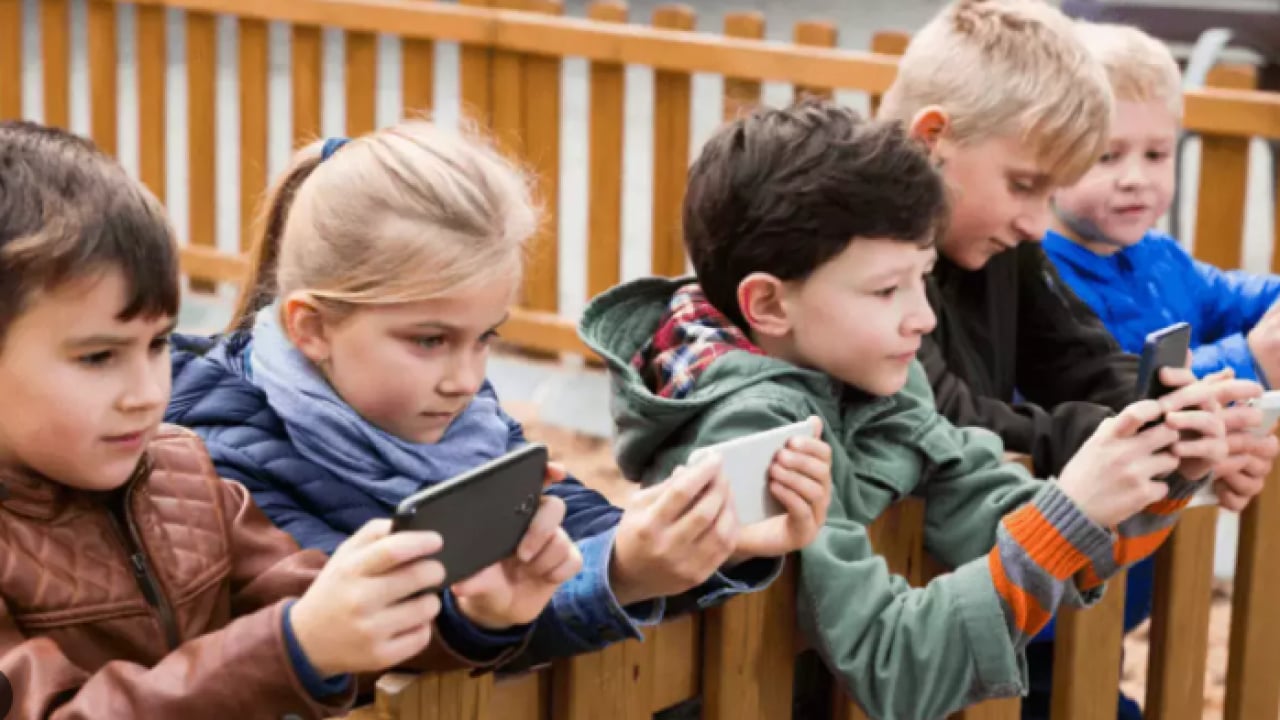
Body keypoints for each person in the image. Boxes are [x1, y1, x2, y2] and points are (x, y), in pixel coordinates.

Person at [580, 99, 1256, 719]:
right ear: (769, 304)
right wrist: (1071, 509)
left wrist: (1162, 469)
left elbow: (994, 510)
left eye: (922, 280)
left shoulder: (876, 379)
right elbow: (893, 663)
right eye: (886, 291)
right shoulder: (754, 433)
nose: (924, 318)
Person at [166, 121, 834, 665]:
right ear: (311, 328)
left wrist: (712, 540)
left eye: (484, 338)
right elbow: (370, 643)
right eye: (430, 340)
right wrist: (619, 571)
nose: (465, 378)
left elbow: (583, 531)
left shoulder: (457, 419)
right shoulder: (221, 465)